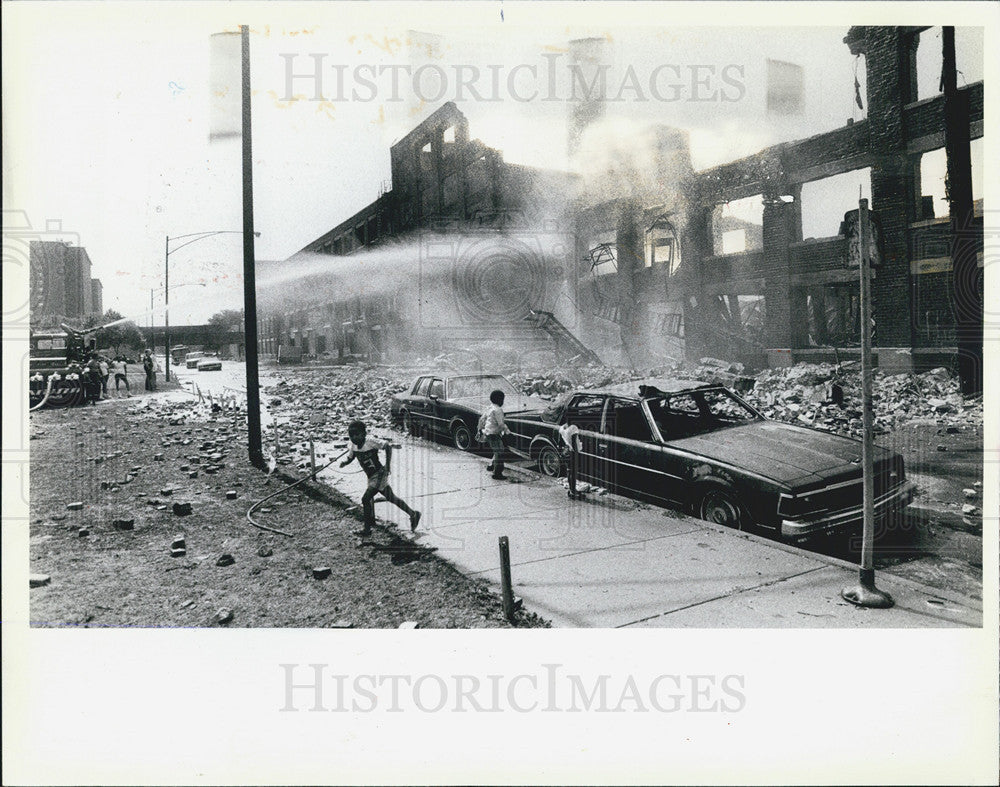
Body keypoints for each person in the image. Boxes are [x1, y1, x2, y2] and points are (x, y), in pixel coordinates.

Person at [340, 419, 420, 537]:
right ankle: (413, 514)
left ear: (364, 434)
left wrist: (387, 465)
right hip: (371, 476)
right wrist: (345, 462)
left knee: (365, 499)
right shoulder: (353, 446)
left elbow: (387, 446)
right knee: (391, 497)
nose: (354, 438)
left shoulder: (370, 442)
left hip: (379, 474)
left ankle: (367, 530)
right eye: (351, 435)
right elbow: (351, 457)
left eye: (357, 435)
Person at [479, 389, 510, 480]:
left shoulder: (490, 407)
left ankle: (491, 465)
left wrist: (480, 429)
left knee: (497, 450)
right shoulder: (498, 410)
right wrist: (506, 431)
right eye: (503, 399)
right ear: (500, 400)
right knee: (500, 453)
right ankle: (497, 473)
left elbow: (482, 419)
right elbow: (500, 424)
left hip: (488, 432)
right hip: (494, 433)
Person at [558, 422, 581, 499]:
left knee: (569, 470)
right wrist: (577, 454)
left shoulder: (562, 427)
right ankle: (573, 491)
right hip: (572, 452)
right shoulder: (573, 428)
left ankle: (571, 490)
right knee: (573, 472)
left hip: (566, 451)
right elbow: (574, 443)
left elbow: (560, 442)